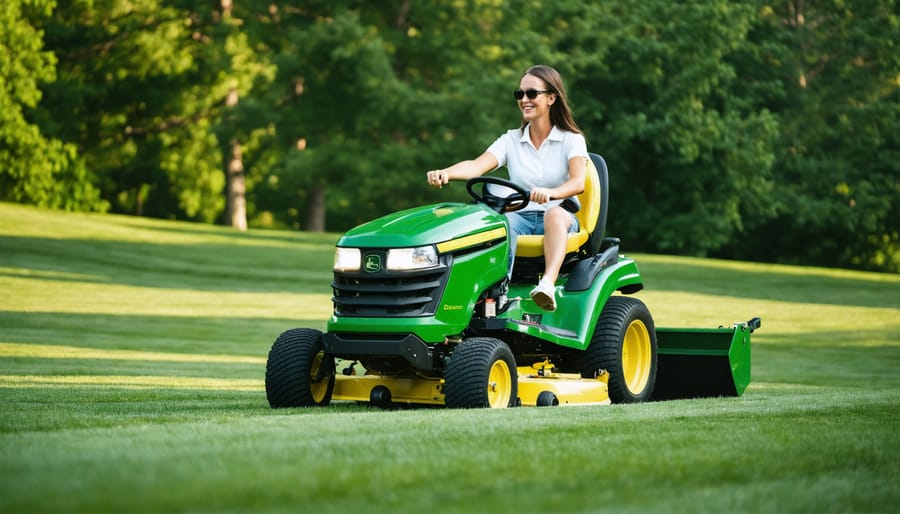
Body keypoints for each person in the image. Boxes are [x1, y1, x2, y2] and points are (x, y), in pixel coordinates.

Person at [426, 64, 588, 311]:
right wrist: (446, 173)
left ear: (551, 98)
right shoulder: (511, 140)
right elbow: (476, 166)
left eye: (532, 93)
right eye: (519, 94)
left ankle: (547, 284)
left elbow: (578, 182)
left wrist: (551, 193)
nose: (524, 100)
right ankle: (495, 295)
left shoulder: (571, 139)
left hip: (560, 217)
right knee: (499, 222)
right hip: (520, 216)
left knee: (554, 214)